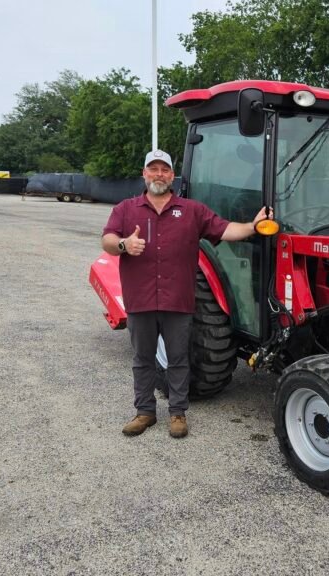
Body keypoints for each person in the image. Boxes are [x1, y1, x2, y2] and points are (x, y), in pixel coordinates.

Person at [101, 150, 271, 439]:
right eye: (152, 169)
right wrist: (123, 245)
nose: (158, 174)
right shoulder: (126, 209)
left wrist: (253, 227)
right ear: (144, 174)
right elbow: (107, 239)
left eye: (164, 170)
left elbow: (226, 229)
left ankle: (178, 413)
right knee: (143, 359)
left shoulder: (192, 210)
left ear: (172, 175)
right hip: (140, 299)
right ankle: (144, 412)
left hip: (177, 300)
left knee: (179, 359)